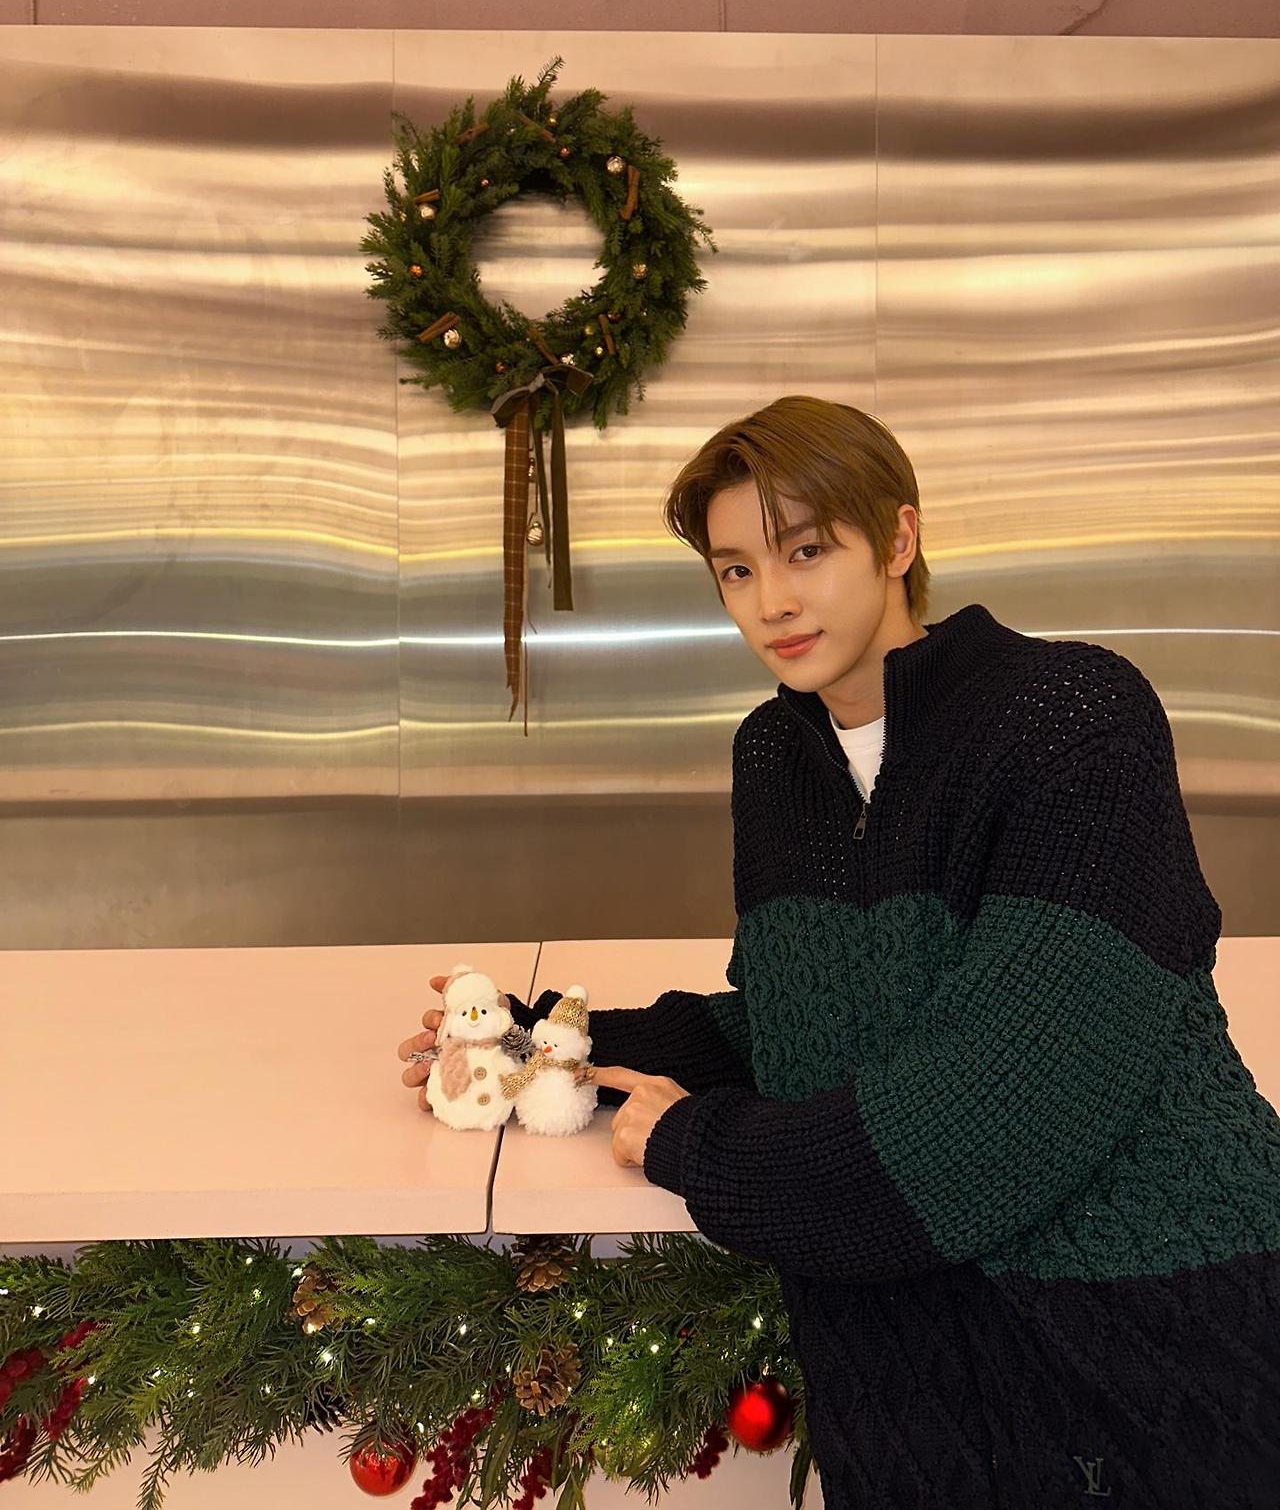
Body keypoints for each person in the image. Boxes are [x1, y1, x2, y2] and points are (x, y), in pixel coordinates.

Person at [399, 394, 1280, 1508]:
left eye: (806, 550)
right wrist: (538, 1040)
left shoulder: (1075, 717)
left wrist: (696, 1143)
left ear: (899, 539)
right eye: (734, 569)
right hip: (915, 1404)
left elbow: (998, 1112)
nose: (770, 600)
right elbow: (810, 1019)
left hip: (1157, 1357)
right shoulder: (775, 756)